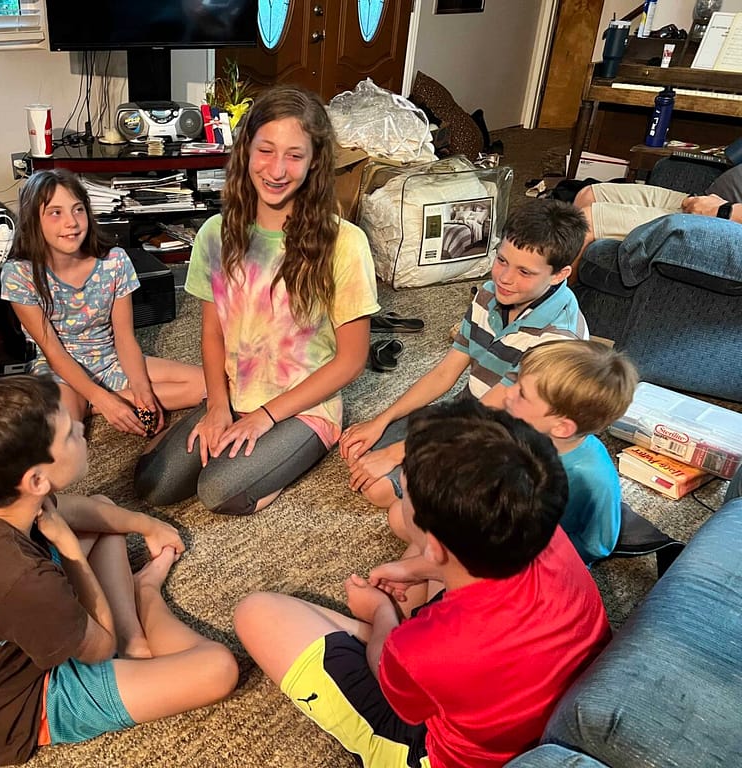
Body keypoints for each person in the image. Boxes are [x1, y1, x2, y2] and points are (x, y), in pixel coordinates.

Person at [234, 398, 611, 768]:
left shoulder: (423, 648)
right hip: (524, 685)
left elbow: (393, 680)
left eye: (404, 488)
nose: (401, 492)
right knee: (405, 538)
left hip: (432, 748)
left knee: (257, 613)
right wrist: (421, 569)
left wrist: (382, 615)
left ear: (435, 547)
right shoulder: (544, 531)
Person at [0, 375, 238, 766]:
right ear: (36, 480)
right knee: (218, 669)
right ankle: (144, 596)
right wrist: (70, 549)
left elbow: (66, 510)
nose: (81, 427)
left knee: (106, 513)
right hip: (18, 711)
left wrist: (147, 525)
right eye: (69, 434)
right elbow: (100, 647)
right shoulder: (25, 581)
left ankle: (135, 642)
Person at [132, 85, 380, 516]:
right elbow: (211, 334)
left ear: (315, 161)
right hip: (236, 392)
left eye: (294, 155)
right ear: (245, 150)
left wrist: (265, 416)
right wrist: (215, 406)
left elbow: (351, 360)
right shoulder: (215, 233)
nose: (277, 169)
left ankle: (298, 454)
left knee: (218, 491)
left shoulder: (346, 243)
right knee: (153, 485)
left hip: (304, 406)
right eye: (266, 150)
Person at [340, 200, 589, 509]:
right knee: (361, 447)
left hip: (513, 436)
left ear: (559, 274)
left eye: (524, 271)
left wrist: (396, 453)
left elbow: (494, 411)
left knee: (380, 489)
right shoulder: (489, 294)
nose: (505, 278)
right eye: (501, 260)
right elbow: (446, 372)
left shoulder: (557, 338)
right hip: (472, 407)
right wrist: (382, 419)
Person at [0, 169, 204, 436]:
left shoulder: (115, 261)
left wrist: (141, 389)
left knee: (208, 384)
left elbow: (125, 338)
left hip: (111, 359)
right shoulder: (19, 274)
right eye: (55, 213)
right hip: (59, 369)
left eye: (78, 210)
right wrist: (104, 399)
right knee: (65, 432)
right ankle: (94, 402)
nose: (71, 222)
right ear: (33, 221)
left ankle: (98, 403)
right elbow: (53, 352)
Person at [502, 339, 638, 565]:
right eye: (516, 381)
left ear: (562, 427)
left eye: (522, 394)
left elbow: (598, 544)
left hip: (539, 558)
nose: (508, 392)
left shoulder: (592, 478)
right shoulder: (525, 429)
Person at [573, 162, 742, 258]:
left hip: (724, 221)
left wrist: (724, 212)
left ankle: (558, 313)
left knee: (586, 221)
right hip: (713, 202)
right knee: (590, 194)